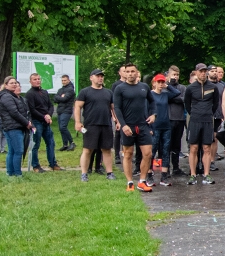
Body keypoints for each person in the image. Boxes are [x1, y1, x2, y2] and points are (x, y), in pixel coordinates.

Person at [113, 63, 156, 192]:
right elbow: (117, 108)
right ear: (124, 73)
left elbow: (152, 101)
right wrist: (123, 125)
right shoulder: (120, 88)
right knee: (128, 154)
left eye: (133, 71)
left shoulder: (144, 87)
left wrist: (153, 114)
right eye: (128, 71)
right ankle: (130, 182)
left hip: (142, 125)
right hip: (128, 126)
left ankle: (142, 181)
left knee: (148, 153)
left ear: (137, 73)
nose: (130, 74)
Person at [74, 68, 117, 182]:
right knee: (88, 150)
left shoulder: (108, 92)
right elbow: (77, 106)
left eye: (101, 76)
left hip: (106, 124)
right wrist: (78, 122)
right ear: (91, 78)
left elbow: (113, 108)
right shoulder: (85, 92)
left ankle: (110, 173)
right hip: (91, 125)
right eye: (97, 76)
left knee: (107, 149)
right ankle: (84, 174)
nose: (100, 78)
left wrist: (118, 122)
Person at [183, 63, 220, 185]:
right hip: (194, 120)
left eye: (205, 71)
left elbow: (215, 104)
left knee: (206, 148)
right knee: (193, 147)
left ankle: (207, 174)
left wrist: (208, 113)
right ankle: (193, 174)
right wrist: (195, 113)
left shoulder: (213, 87)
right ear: (196, 73)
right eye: (201, 71)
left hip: (208, 120)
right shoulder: (190, 88)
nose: (203, 73)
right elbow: (187, 105)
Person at [0, 76, 33, 178]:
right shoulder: (6, 96)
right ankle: (17, 173)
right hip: (12, 127)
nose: (15, 84)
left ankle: (10, 173)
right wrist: (26, 123)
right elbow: (14, 112)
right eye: (12, 83)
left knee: (12, 151)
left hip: (15, 126)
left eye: (15, 83)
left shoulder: (14, 96)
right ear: (6, 85)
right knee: (18, 151)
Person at [148, 73, 182, 186]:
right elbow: (146, 111)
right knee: (152, 151)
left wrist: (168, 85)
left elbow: (177, 93)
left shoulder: (165, 94)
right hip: (155, 126)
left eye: (162, 82)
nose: (161, 84)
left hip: (166, 126)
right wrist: (148, 127)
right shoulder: (150, 95)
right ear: (154, 83)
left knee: (166, 150)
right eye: (159, 82)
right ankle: (149, 175)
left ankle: (164, 176)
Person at [26, 72, 63, 172]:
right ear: (30, 81)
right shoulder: (30, 94)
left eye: (38, 79)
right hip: (37, 121)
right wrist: (43, 116)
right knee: (36, 144)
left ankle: (53, 164)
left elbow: (50, 106)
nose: (37, 81)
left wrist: (49, 115)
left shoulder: (44, 92)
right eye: (35, 79)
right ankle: (36, 166)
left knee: (51, 143)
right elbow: (32, 109)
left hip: (46, 122)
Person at [166, 65, 187, 176]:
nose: (175, 77)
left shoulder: (183, 88)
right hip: (169, 119)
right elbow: (166, 98)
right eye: (173, 74)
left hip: (180, 119)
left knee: (177, 144)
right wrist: (174, 97)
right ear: (168, 75)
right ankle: (166, 167)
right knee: (167, 144)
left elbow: (184, 99)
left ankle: (176, 167)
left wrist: (173, 98)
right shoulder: (165, 87)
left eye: (177, 75)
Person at [55, 74, 76, 151]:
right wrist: (61, 97)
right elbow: (55, 99)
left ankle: (72, 143)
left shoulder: (70, 89)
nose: (63, 82)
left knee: (63, 127)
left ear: (68, 80)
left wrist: (60, 97)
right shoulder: (60, 90)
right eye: (62, 80)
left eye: (65, 80)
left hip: (67, 110)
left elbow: (64, 99)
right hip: (60, 110)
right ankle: (65, 144)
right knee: (61, 128)